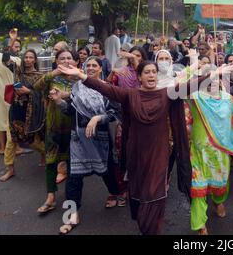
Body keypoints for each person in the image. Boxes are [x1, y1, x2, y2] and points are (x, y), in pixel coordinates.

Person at [58, 60, 216, 235]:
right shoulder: (130, 95)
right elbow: (106, 89)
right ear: (139, 76)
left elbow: (190, 85)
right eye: (147, 72)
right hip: (136, 154)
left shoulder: (167, 93)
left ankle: (152, 230)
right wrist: (81, 75)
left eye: (154, 72)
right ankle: (145, 226)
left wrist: (214, 74)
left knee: (155, 194)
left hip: (159, 153)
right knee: (139, 194)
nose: (151, 75)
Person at [53, 57, 122, 234]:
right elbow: (71, 110)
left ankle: (115, 193)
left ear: (100, 69)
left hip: (100, 139)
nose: (90, 68)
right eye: (88, 65)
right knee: (74, 176)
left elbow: (115, 113)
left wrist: (98, 118)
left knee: (106, 170)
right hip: (79, 139)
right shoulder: (77, 87)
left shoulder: (106, 89)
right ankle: (72, 214)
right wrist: (59, 101)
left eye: (94, 66)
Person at [187, 76, 233, 235]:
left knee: (220, 181)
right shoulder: (195, 97)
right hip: (199, 152)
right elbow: (178, 85)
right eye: (208, 78)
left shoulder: (228, 99)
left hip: (221, 151)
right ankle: (200, 224)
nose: (213, 81)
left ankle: (218, 202)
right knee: (197, 185)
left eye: (216, 78)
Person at [33, 49, 79, 214]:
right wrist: (54, 72)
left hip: (74, 129)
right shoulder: (52, 78)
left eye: (69, 58)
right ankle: (51, 197)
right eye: (62, 59)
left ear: (75, 62)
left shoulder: (79, 79)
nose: (66, 61)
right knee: (51, 162)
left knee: (72, 164)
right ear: (57, 61)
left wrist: (66, 95)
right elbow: (36, 87)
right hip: (53, 127)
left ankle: (71, 198)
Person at [0, 50, 46, 182]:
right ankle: (10, 170)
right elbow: (5, 60)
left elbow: (42, 95)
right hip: (15, 110)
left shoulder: (40, 76)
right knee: (11, 141)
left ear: (35, 60)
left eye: (31, 57)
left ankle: (45, 155)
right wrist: (11, 42)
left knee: (35, 141)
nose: (28, 59)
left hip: (31, 114)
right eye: (26, 57)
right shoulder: (18, 71)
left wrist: (29, 91)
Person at [0, 49, 21, 157]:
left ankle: (2, 148)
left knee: (0, 121)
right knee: (12, 120)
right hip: (10, 93)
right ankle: (16, 147)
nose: (17, 48)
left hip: (1, 93)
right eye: (16, 46)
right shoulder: (16, 59)